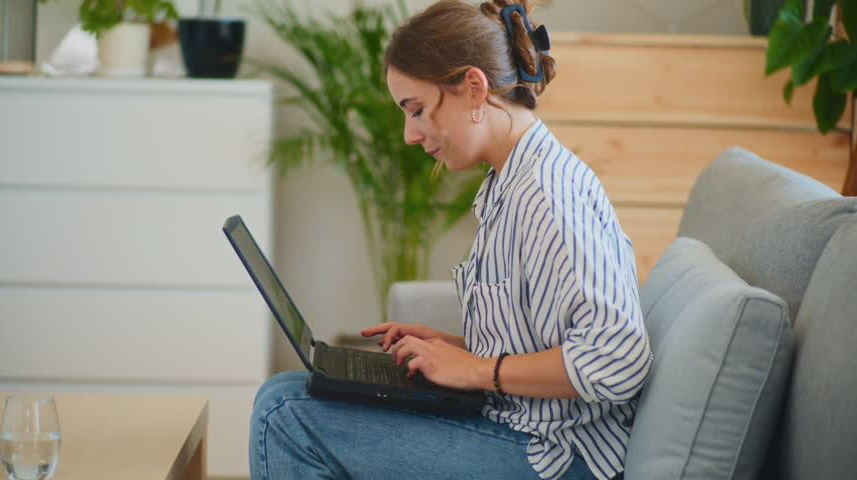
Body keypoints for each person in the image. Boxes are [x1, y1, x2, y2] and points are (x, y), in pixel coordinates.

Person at [250, 1, 653, 479]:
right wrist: (454, 348)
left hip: (556, 456)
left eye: (417, 110)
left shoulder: (548, 197)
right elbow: (547, 331)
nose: (408, 135)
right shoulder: (510, 181)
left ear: (473, 88)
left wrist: (476, 370)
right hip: (520, 427)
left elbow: (618, 359)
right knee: (285, 394)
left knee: (284, 414)